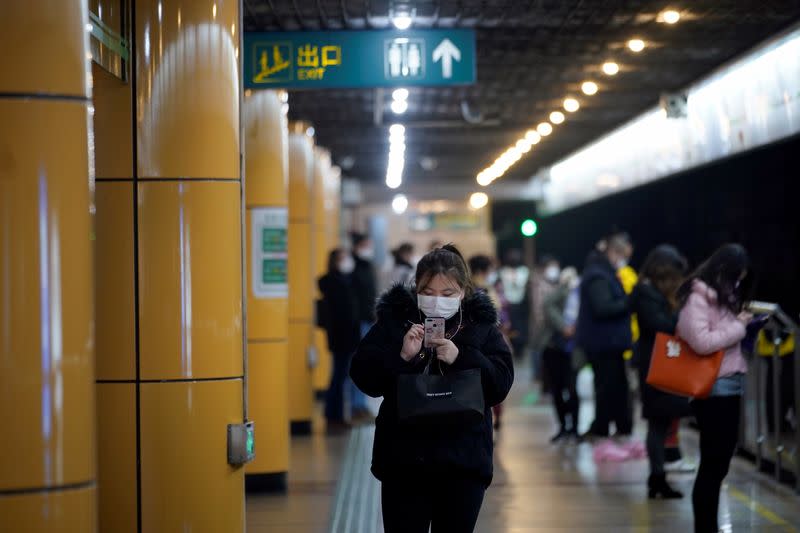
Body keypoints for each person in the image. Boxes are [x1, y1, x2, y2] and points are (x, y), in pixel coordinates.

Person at [350, 244, 514, 533]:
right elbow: (364, 376)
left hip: (463, 462)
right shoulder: (395, 322)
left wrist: (461, 357)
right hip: (404, 463)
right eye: (428, 292)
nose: (437, 301)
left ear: (463, 291)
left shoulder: (480, 327)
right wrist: (402, 357)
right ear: (416, 289)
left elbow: (500, 384)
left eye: (447, 294)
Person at [676, 243, 755, 533]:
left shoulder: (723, 297)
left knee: (719, 462)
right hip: (713, 388)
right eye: (735, 278)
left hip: (729, 383)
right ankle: (705, 528)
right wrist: (740, 326)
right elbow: (702, 342)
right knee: (713, 464)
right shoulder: (697, 299)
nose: (737, 284)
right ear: (722, 271)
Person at [629, 245, 691, 499]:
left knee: (661, 422)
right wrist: (680, 314)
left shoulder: (652, 292)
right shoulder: (645, 293)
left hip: (663, 363)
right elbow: (660, 326)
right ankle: (656, 478)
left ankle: (658, 478)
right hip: (654, 366)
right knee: (657, 423)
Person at [576, 233, 634, 439]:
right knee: (607, 386)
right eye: (622, 256)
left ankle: (619, 426)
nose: (623, 262)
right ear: (613, 252)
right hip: (604, 343)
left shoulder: (602, 272)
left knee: (616, 386)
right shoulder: (598, 275)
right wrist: (630, 301)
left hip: (610, 343)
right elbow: (602, 307)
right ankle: (602, 428)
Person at [318, 249, 362, 434]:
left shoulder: (345, 281)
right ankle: (333, 416)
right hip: (341, 338)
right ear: (334, 261)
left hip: (347, 337)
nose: (347, 261)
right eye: (343, 258)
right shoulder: (333, 283)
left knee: (341, 376)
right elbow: (341, 314)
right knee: (339, 377)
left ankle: (336, 416)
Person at [469, 254, 509, 430]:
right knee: (490, 379)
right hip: (485, 342)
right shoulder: (476, 291)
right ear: (481, 270)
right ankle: (491, 417)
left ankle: (495, 417)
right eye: (490, 269)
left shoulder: (486, 287)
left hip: (494, 337)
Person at [542, 266, 581, 442]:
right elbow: (547, 304)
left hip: (573, 350)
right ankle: (563, 427)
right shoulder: (558, 293)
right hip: (554, 348)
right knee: (557, 390)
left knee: (572, 390)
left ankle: (574, 428)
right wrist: (563, 327)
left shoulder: (581, 294)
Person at [349, 232, 377, 420]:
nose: (369, 248)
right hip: (358, 321)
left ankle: (361, 405)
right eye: (366, 245)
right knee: (358, 361)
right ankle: (356, 406)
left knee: (367, 360)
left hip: (367, 319)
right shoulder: (354, 268)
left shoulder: (367, 266)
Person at [531, 256, 562, 388]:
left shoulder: (554, 282)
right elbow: (538, 305)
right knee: (540, 351)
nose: (555, 269)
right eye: (552, 266)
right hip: (543, 324)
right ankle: (540, 377)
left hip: (552, 324)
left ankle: (546, 380)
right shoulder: (539, 283)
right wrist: (541, 321)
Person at [499, 249, 531, 360]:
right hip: (507, 305)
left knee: (520, 328)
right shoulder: (503, 271)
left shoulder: (524, 270)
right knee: (508, 327)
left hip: (520, 304)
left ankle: (520, 350)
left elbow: (520, 284)